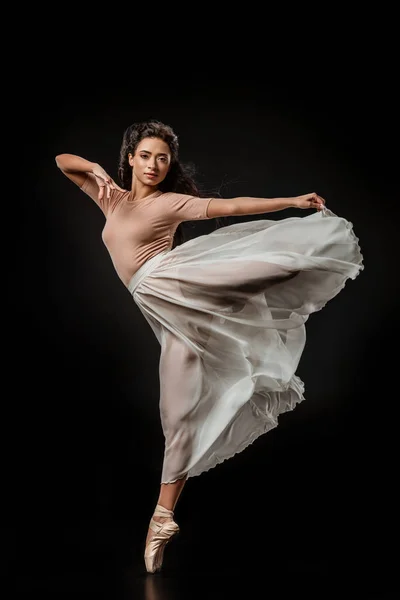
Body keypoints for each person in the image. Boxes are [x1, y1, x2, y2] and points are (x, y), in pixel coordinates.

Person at [55, 119, 364, 573]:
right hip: (172, 319)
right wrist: (95, 168)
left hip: (179, 279)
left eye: (163, 158)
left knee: (265, 269)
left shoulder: (170, 201)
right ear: (131, 159)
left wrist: (293, 201)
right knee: (176, 416)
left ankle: (316, 254)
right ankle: (162, 520)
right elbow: (63, 162)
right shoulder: (111, 198)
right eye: (146, 156)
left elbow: (231, 205)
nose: (155, 165)